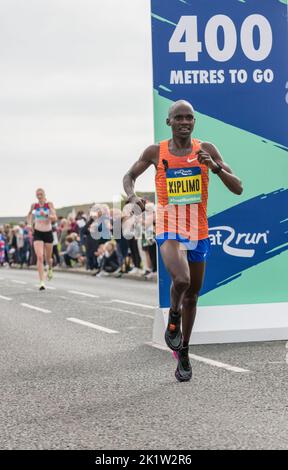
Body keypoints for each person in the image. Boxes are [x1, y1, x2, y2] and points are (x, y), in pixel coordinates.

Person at [123, 100, 243, 382]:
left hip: (198, 229)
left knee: (193, 295)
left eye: (189, 118)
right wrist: (131, 196)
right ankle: (173, 315)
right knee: (182, 281)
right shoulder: (156, 152)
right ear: (169, 122)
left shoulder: (206, 150)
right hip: (168, 226)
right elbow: (129, 176)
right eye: (179, 118)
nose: (185, 122)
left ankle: (184, 351)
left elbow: (238, 187)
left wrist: (215, 168)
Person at [27, 188, 57, 290]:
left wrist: (47, 215)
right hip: (38, 233)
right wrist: (29, 224)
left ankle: (50, 268)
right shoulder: (34, 206)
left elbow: (54, 218)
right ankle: (42, 282)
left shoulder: (49, 205)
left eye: (41, 194)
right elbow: (29, 215)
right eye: (37, 194)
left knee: (49, 258)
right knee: (40, 256)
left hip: (48, 233)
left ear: (44, 194)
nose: (39, 196)